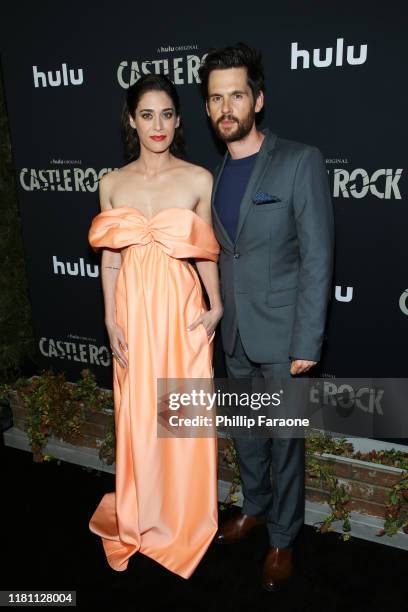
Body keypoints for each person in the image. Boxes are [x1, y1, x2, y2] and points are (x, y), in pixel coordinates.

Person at [198, 42, 334, 591]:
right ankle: (253, 507)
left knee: (285, 442)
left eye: (236, 95)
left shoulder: (300, 160)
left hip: (283, 338)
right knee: (247, 435)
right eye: (215, 99)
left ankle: (282, 537)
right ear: (207, 110)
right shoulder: (209, 177)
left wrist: (308, 341)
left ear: (258, 99)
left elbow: (318, 256)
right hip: (232, 332)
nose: (226, 107)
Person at [87, 74, 223, 579]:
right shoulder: (112, 182)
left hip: (182, 309)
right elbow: (111, 262)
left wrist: (217, 307)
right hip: (132, 312)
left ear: (179, 119)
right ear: (131, 120)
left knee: (182, 416)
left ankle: (184, 518)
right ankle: (142, 514)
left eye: (167, 114)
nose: (158, 125)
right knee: (140, 416)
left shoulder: (197, 180)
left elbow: (206, 253)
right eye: (147, 115)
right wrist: (108, 318)